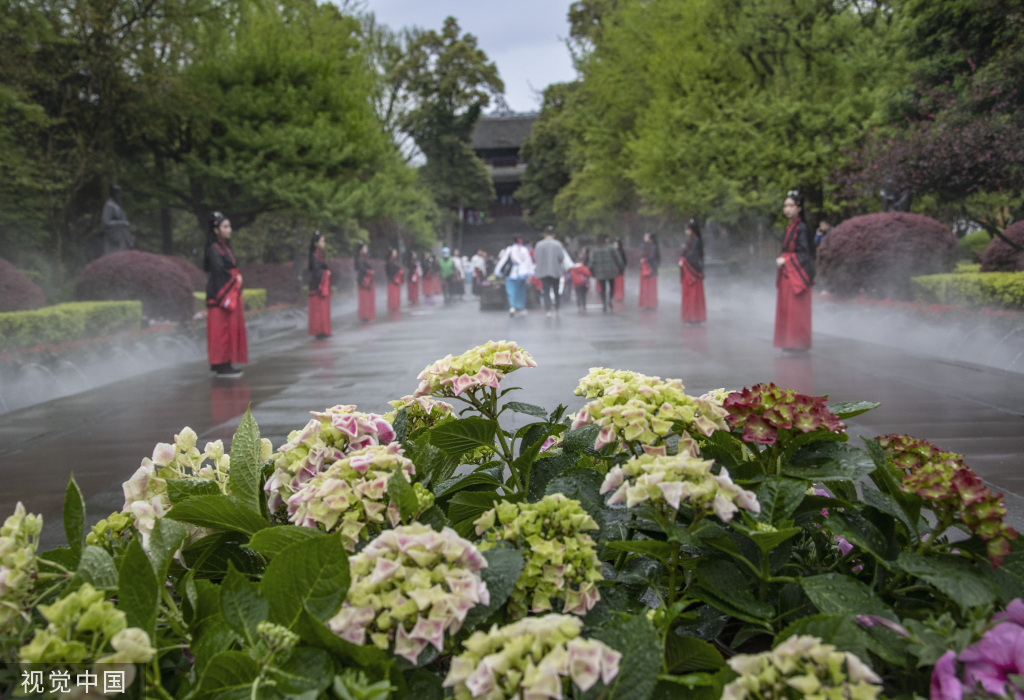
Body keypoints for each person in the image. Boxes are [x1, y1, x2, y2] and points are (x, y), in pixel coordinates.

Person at [204, 211, 247, 377]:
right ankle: (221, 364)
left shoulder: (223, 248)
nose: (230, 230)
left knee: (226, 330)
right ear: (216, 230)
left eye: (229, 226)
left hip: (223, 290)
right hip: (219, 294)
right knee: (221, 332)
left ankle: (223, 363)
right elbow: (218, 271)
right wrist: (235, 279)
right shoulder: (214, 249)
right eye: (225, 226)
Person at [775, 190, 815, 351]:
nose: (787, 209)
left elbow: (804, 254)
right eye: (785, 206)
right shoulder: (791, 227)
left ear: (799, 208)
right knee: (787, 309)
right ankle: (789, 343)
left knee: (796, 311)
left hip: (796, 275)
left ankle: (797, 344)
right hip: (788, 274)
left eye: (791, 205)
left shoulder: (802, 228)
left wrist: (786, 259)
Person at [533, 227, 570, 317]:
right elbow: (561, 257)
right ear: (553, 235)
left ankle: (548, 309)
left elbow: (535, 257)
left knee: (546, 291)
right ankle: (557, 307)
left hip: (543, 271)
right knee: (556, 290)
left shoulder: (539, 244)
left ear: (545, 235)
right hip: (555, 270)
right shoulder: (557, 244)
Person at [494, 236, 534, 316]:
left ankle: (512, 306)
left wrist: (498, 271)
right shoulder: (524, 249)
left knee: (511, 291)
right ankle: (521, 307)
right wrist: (529, 272)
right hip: (522, 273)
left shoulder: (510, 249)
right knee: (521, 291)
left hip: (511, 273)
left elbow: (503, 260)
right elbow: (528, 261)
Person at [679, 219, 706, 324]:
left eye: (687, 228)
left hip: (693, 271)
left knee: (694, 295)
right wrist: (682, 258)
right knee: (689, 295)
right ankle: (690, 317)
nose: (685, 230)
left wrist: (683, 260)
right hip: (689, 269)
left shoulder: (696, 240)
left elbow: (693, 255)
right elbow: (685, 253)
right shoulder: (692, 240)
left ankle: (695, 318)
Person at [588, 235, 623, 313]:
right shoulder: (611, 248)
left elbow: (592, 261)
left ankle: (604, 303)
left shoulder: (595, 249)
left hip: (600, 272)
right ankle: (610, 299)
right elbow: (618, 258)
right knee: (612, 287)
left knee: (602, 289)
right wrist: (621, 267)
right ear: (605, 240)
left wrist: (588, 270)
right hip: (611, 271)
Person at [307, 231, 331, 339]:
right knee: (318, 311)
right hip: (317, 286)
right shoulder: (314, 255)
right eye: (322, 241)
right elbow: (316, 270)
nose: (324, 243)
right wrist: (326, 273)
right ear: (316, 243)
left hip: (319, 285)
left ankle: (323, 331)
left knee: (322, 309)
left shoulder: (318, 254)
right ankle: (319, 332)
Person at [101, 184, 134, 255]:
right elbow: (106, 222)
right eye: (118, 193)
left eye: (120, 193)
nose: (120, 195)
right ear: (113, 194)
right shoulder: (109, 205)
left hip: (122, 236)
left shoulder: (118, 205)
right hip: (114, 237)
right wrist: (121, 223)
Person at [639, 232, 660, 310]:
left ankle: (651, 305)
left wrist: (644, 260)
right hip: (649, 269)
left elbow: (652, 258)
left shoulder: (653, 246)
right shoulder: (648, 246)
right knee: (648, 288)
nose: (645, 238)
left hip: (651, 270)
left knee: (650, 288)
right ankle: (648, 304)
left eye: (646, 236)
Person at [355, 243, 375, 322]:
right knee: (364, 299)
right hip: (363, 281)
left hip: (368, 279)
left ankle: (367, 315)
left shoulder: (364, 258)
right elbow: (361, 269)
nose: (366, 249)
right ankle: (364, 315)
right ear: (361, 249)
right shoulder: (359, 258)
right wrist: (369, 271)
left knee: (367, 299)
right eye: (365, 248)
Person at [386, 248, 403, 313]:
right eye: (394, 253)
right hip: (392, 281)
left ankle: (396, 307)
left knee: (396, 295)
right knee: (393, 295)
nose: (396, 254)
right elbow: (389, 271)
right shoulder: (389, 262)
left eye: (396, 253)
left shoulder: (395, 262)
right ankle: (392, 307)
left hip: (397, 281)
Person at [612, 239, 626, 305]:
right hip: (614, 270)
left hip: (620, 270)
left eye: (616, 244)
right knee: (615, 284)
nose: (614, 245)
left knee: (619, 283)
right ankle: (615, 296)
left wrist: (622, 268)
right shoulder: (613, 251)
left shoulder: (621, 252)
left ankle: (619, 296)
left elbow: (624, 261)